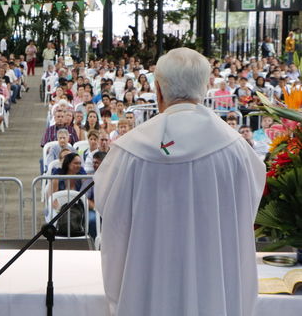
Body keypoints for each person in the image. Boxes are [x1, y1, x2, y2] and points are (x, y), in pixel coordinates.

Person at [94, 48, 265, 316]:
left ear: (158, 90)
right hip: (212, 289)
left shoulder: (129, 150)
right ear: (205, 88)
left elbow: (112, 218)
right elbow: (245, 212)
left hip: (148, 288)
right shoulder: (236, 149)